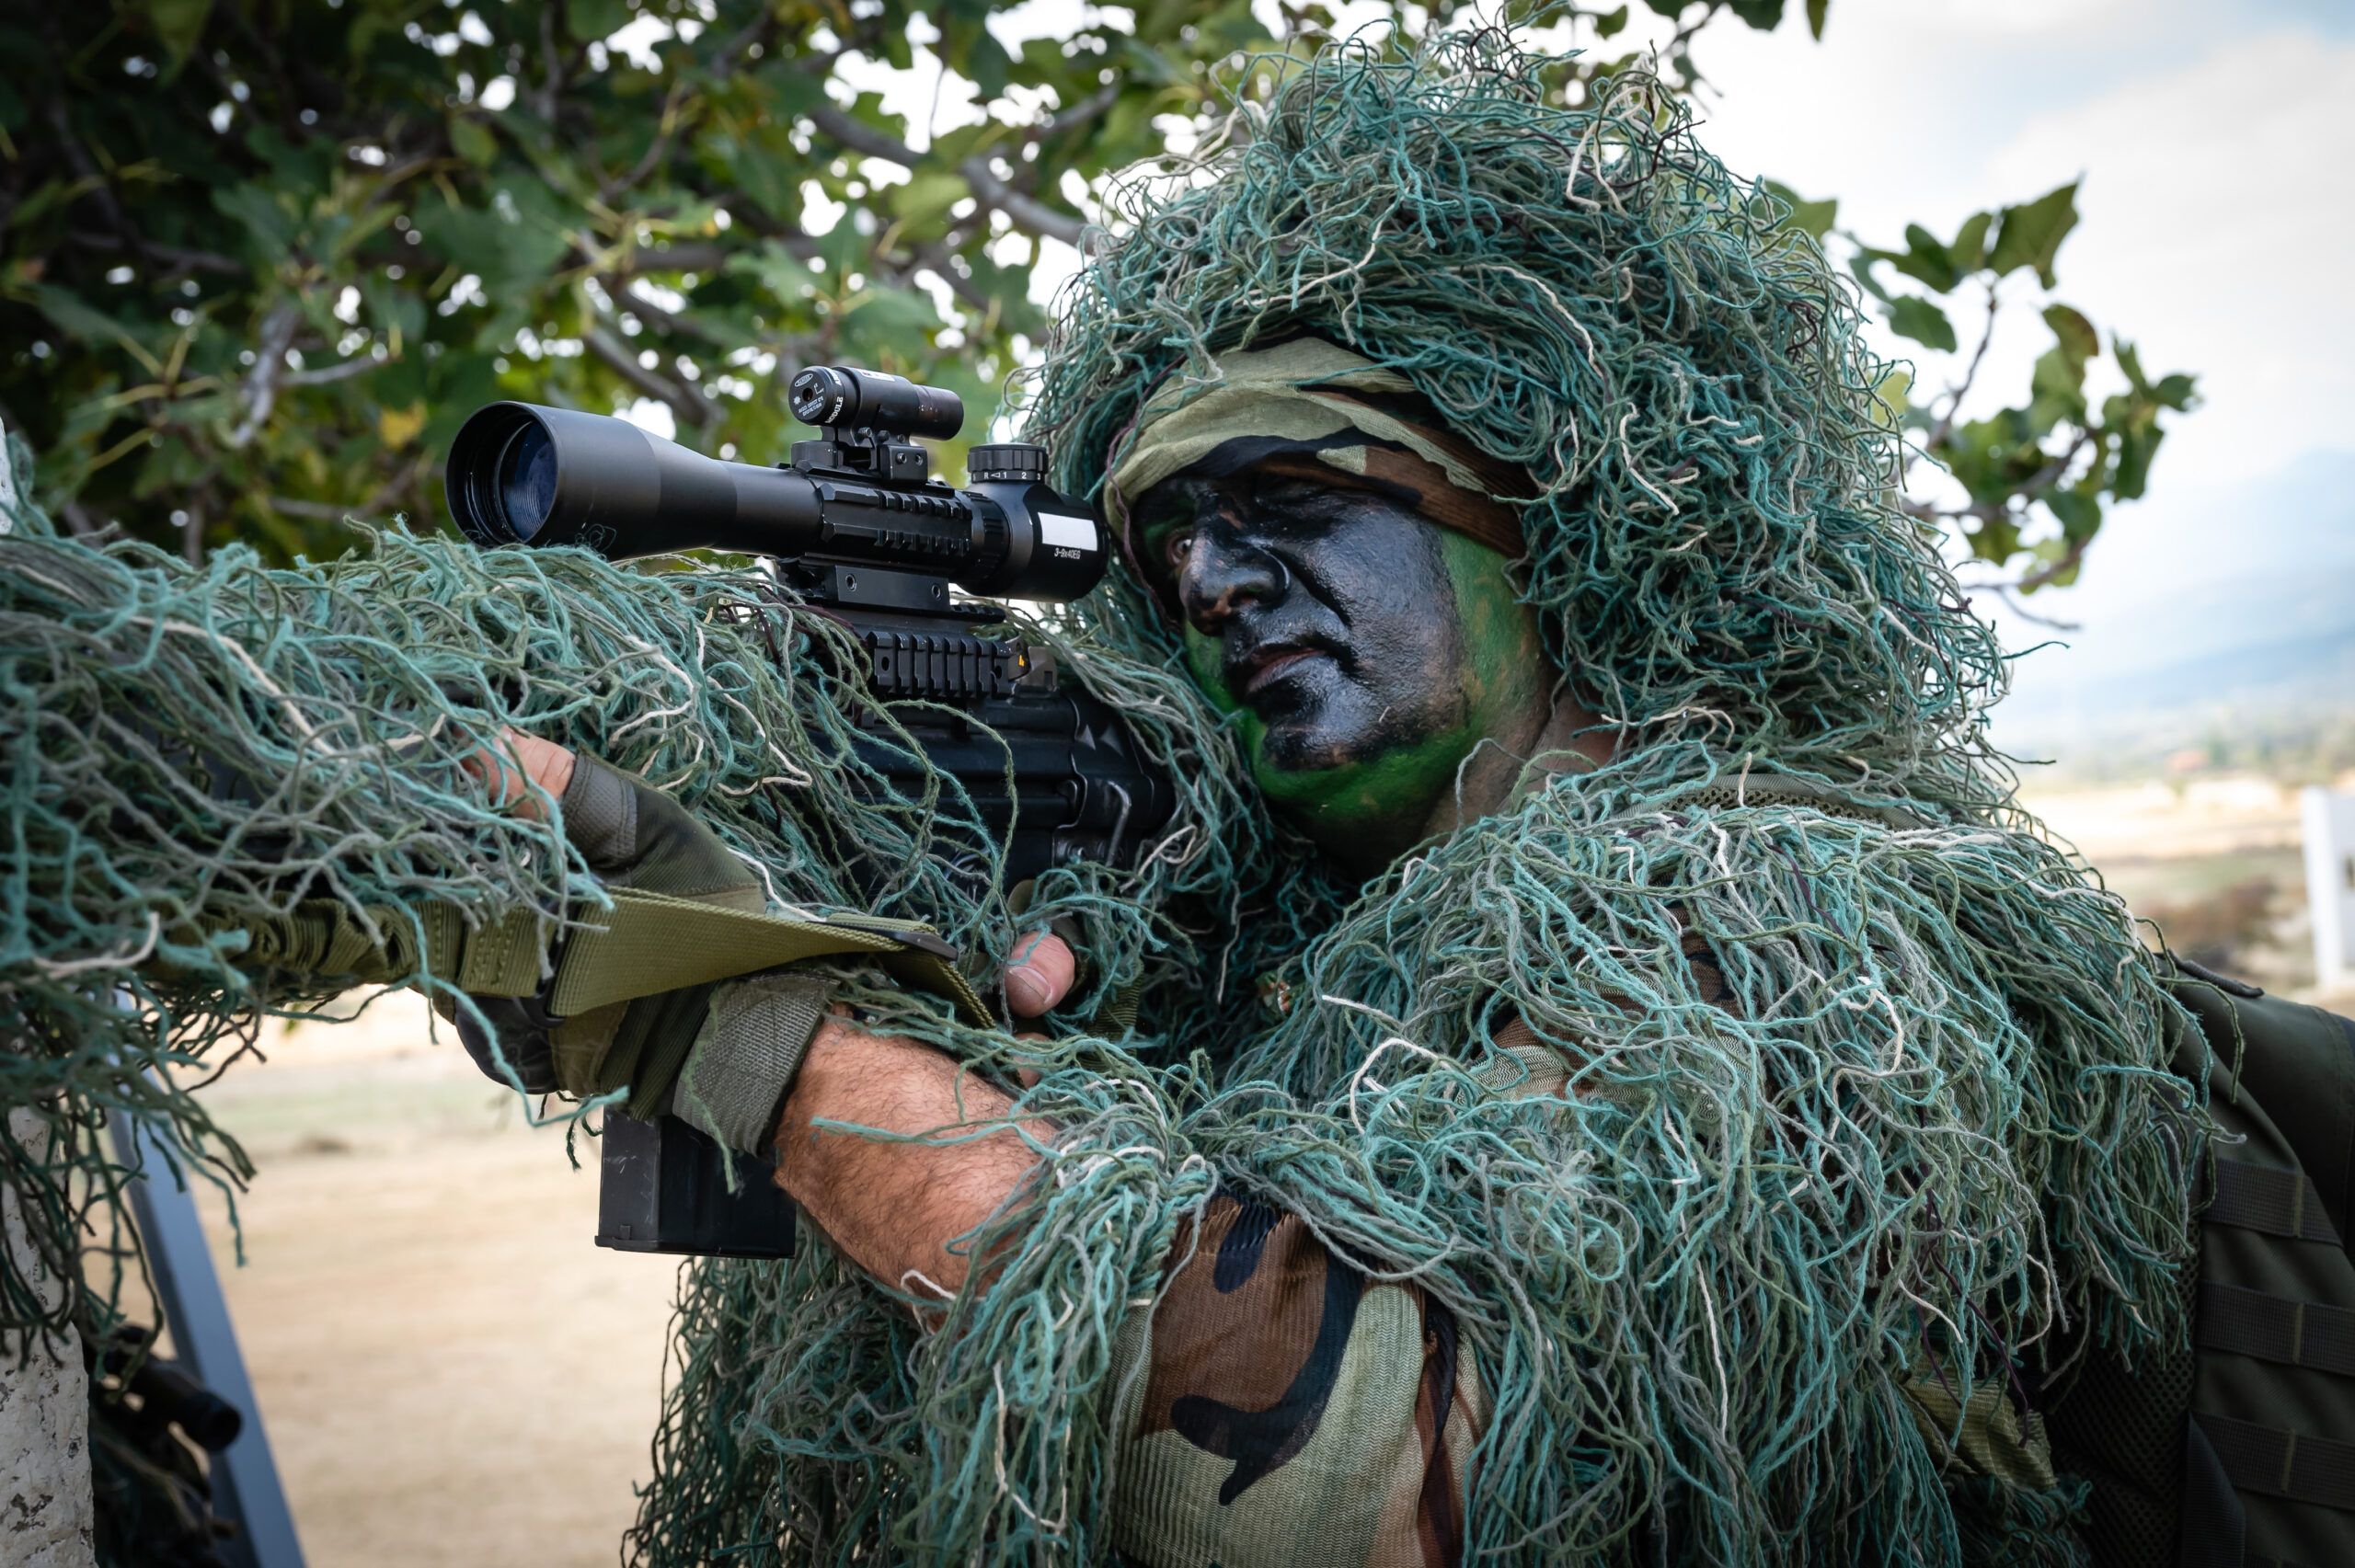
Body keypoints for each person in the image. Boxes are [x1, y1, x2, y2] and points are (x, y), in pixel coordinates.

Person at [462, 40, 2199, 1568]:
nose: (1216, 577)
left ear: (1514, 522)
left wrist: (749, 1029)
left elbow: (1385, 1492)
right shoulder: (1308, 958)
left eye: (1286, 491)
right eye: (1168, 545)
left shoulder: (1785, 917)